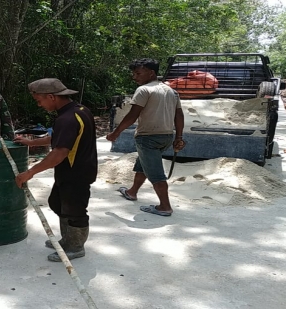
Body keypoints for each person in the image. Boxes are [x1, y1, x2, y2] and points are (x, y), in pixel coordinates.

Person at [14, 78, 97, 262]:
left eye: (39, 100)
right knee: (58, 203)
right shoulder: (79, 111)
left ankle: (75, 247)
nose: (40, 105)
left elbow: (59, 152)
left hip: (76, 173)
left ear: (51, 97)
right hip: (72, 171)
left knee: (74, 210)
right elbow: (60, 138)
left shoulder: (67, 119)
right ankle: (67, 240)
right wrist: (32, 142)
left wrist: (30, 172)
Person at [106, 58, 186, 217]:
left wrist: (116, 132)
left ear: (151, 73)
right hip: (166, 137)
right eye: (134, 73)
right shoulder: (171, 91)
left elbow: (132, 115)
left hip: (148, 137)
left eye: (138, 73)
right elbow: (179, 116)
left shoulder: (144, 90)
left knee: (156, 174)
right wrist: (179, 137)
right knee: (143, 164)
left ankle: (165, 207)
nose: (134, 77)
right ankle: (132, 192)